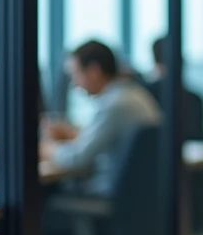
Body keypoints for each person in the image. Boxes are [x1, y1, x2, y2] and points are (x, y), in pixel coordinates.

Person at [42, 40, 161, 195]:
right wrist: (72, 134)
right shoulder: (134, 95)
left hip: (108, 193)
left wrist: (47, 149)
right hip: (138, 196)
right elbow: (111, 140)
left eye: (76, 75)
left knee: (45, 194)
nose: (74, 84)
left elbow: (77, 159)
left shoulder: (114, 105)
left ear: (94, 71)